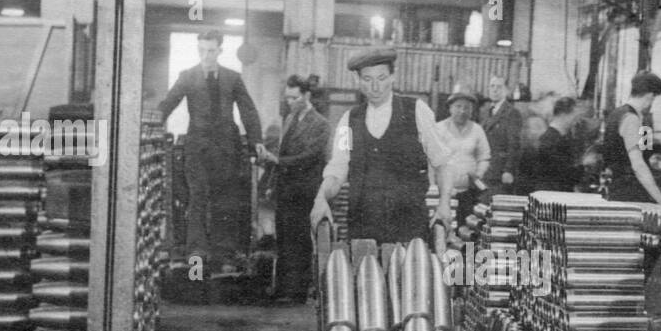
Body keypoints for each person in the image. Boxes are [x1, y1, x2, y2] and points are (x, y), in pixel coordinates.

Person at [309, 47, 452, 243]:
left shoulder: (417, 111)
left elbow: (442, 163)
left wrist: (444, 204)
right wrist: (321, 197)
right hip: (362, 228)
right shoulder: (348, 120)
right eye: (367, 79)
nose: (375, 86)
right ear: (357, 81)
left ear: (393, 77)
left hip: (408, 226)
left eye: (382, 78)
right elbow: (338, 168)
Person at [157, 30, 265, 276]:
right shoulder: (187, 77)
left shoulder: (233, 78)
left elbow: (248, 111)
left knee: (224, 202)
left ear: (219, 51)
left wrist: (256, 140)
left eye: (211, 50)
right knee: (197, 199)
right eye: (202, 50)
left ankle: (224, 255)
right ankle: (197, 256)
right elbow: (168, 104)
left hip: (227, 149)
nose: (206, 55)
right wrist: (149, 125)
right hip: (197, 150)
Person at [272, 75, 330, 301]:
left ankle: (297, 292)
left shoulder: (320, 124)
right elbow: (284, 150)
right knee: (284, 239)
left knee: (299, 240)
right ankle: (283, 289)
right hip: (286, 189)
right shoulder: (289, 119)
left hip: (304, 191)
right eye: (287, 98)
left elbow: (308, 157)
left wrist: (278, 162)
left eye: (294, 98)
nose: (289, 102)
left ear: (306, 96)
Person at [603, 71, 661, 205]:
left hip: (620, 186)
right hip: (629, 190)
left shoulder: (619, 114)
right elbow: (638, 165)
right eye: (654, 98)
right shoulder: (631, 119)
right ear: (651, 95)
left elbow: (647, 154)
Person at [435, 90, 490, 223]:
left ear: (472, 111)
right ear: (450, 108)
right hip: (442, 192)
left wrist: (479, 173)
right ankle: (442, 244)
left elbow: (484, 156)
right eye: (458, 106)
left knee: (468, 227)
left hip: (468, 192)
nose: (462, 111)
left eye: (467, 108)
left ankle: (468, 245)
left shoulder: (477, 130)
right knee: (442, 225)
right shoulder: (439, 129)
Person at [528, 96, 582, 192]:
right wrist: (584, 165)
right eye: (574, 116)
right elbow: (564, 174)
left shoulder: (556, 138)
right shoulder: (550, 141)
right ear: (563, 115)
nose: (577, 121)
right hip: (552, 197)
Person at [480, 75, 523, 195]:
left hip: (500, 172)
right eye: (492, 86)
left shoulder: (512, 113)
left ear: (506, 91)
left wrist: (509, 170)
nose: (494, 90)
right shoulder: (485, 112)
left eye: (499, 87)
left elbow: (514, 145)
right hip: (485, 170)